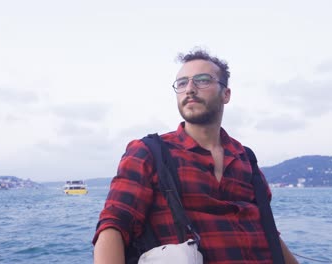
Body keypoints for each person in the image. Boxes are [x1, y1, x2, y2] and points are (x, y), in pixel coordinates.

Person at [93, 48, 298, 264]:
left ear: (225, 94)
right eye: (182, 83)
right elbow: (114, 225)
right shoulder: (150, 153)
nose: (190, 89)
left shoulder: (247, 160)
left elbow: (269, 232)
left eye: (202, 80)